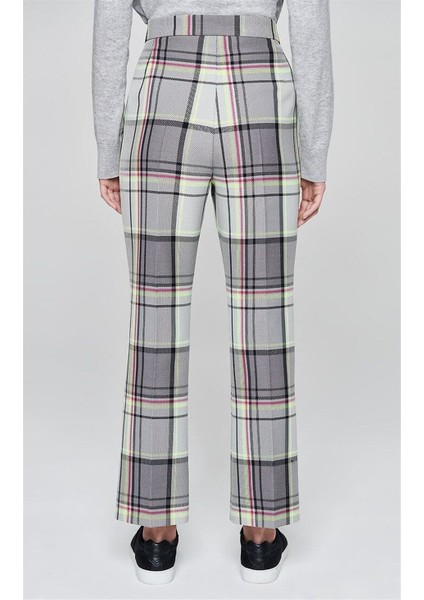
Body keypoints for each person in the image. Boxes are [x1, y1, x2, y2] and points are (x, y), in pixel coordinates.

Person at [92, 0, 334, 585]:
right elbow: (309, 27)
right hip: (258, 87)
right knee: (264, 320)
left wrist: (107, 146)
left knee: (155, 319)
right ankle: (261, 535)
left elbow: (110, 30)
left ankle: (156, 536)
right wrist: (314, 151)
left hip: (164, 86)